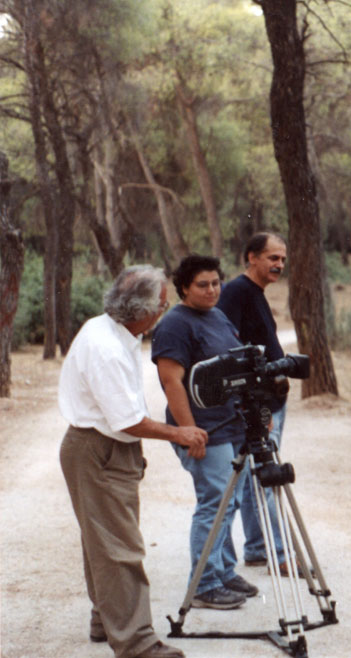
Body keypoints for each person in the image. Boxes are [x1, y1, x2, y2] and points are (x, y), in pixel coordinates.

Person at [59, 265, 206, 658]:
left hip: (101, 448)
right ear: (143, 309)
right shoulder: (106, 347)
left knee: (103, 542)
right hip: (99, 449)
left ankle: (105, 621)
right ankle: (137, 643)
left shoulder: (109, 330)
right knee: (120, 548)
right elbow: (127, 420)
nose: (165, 309)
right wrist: (179, 432)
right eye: (162, 303)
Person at [151, 255, 259, 610]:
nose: (212, 290)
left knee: (232, 501)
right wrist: (187, 430)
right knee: (215, 503)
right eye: (203, 284)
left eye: (216, 283)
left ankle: (224, 572)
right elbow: (171, 381)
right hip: (204, 431)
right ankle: (204, 584)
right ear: (184, 287)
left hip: (232, 426)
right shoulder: (175, 325)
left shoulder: (216, 315)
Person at [216, 232, 295, 576]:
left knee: (253, 476)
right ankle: (279, 554)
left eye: (282, 259)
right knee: (267, 473)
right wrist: (254, 405)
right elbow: (226, 348)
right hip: (259, 402)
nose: (279, 265)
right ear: (251, 257)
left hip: (272, 397)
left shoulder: (255, 293)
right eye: (272, 258)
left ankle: (258, 548)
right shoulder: (236, 292)